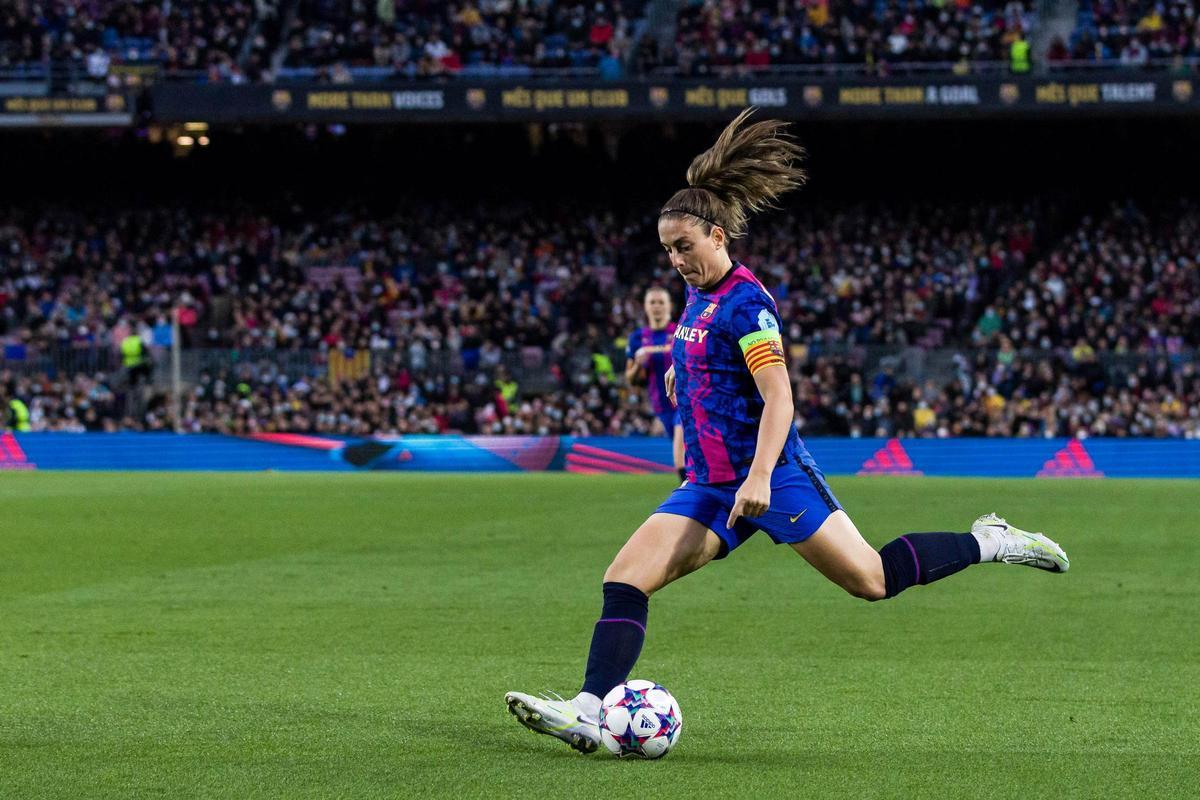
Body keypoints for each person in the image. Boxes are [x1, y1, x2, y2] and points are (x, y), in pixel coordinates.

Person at [504, 108, 1070, 754]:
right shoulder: (698, 293)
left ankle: (989, 540)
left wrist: (760, 477)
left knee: (872, 580)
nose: (676, 260)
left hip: (772, 477)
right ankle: (587, 710)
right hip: (712, 483)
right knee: (626, 577)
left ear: (718, 236)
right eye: (667, 250)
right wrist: (684, 376)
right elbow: (707, 352)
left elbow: (779, 396)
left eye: (684, 246)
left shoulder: (748, 303)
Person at [624, 286, 685, 478]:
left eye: (661, 302)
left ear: (669, 306)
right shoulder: (637, 338)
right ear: (645, 306)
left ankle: (688, 488)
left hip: (685, 399)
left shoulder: (680, 331)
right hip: (661, 405)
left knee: (681, 449)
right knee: (686, 453)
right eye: (652, 302)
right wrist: (637, 364)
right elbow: (630, 378)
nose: (657, 306)